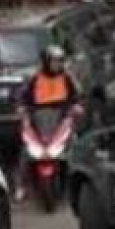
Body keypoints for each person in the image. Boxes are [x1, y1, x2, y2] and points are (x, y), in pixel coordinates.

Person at [12, 45, 79, 199]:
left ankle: (74, 183)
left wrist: (76, 107)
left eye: (60, 61)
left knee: (74, 145)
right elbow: (22, 96)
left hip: (61, 118)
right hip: (38, 117)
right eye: (54, 61)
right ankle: (21, 185)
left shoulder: (67, 78)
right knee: (26, 150)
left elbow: (76, 95)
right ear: (46, 62)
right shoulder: (35, 78)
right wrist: (22, 109)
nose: (57, 65)